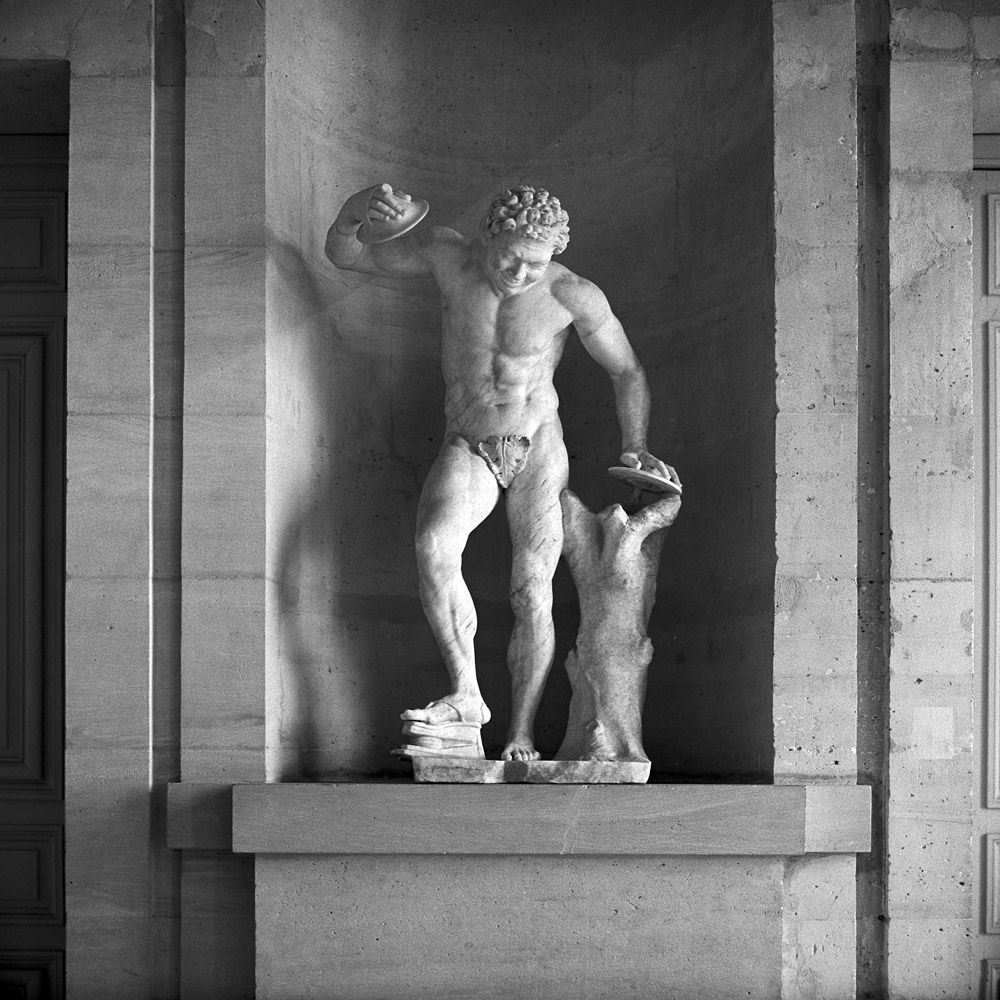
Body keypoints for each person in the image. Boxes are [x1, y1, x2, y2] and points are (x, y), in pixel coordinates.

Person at [325, 182, 679, 761]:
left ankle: (520, 734)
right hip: (469, 439)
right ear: (488, 236)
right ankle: (467, 695)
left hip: (537, 444)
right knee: (433, 546)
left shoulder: (571, 293)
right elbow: (351, 256)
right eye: (510, 258)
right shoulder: (447, 256)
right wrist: (354, 211)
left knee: (531, 592)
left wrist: (636, 444)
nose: (519, 274)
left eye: (535, 264)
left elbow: (627, 371)